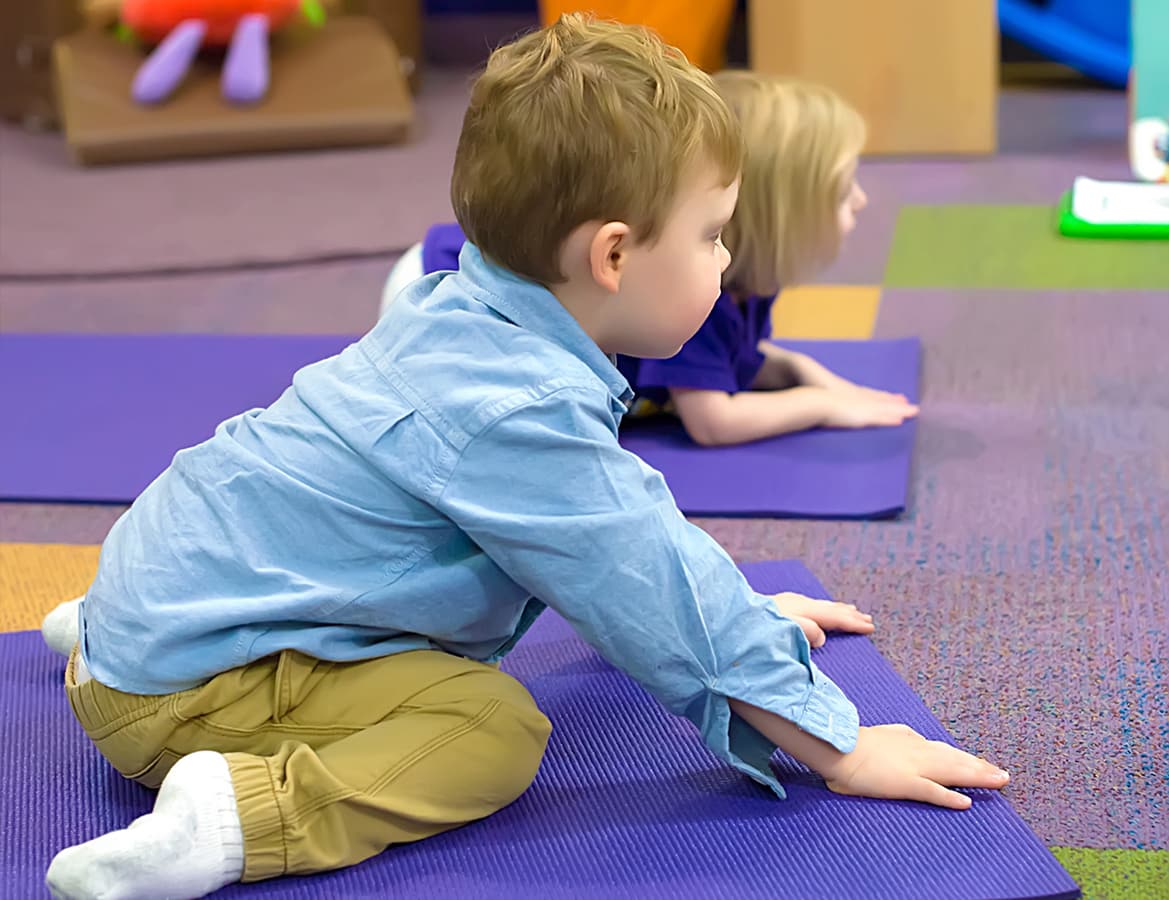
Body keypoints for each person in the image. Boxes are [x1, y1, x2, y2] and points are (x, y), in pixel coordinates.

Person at [43, 16, 1007, 900]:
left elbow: (626, 556)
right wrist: (839, 747)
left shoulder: (458, 306)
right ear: (614, 256)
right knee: (495, 729)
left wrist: (741, 611)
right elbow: (650, 582)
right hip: (178, 690)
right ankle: (231, 818)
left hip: (152, 588)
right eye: (713, 235)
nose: (725, 261)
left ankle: (130, 634)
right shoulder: (522, 412)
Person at [380, 72, 919, 447]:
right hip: (433, 289)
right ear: (787, 217)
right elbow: (714, 420)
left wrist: (804, 371)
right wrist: (820, 407)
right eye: (843, 190)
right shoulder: (687, 289)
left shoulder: (735, 277)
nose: (862, 200)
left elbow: (738, 361)